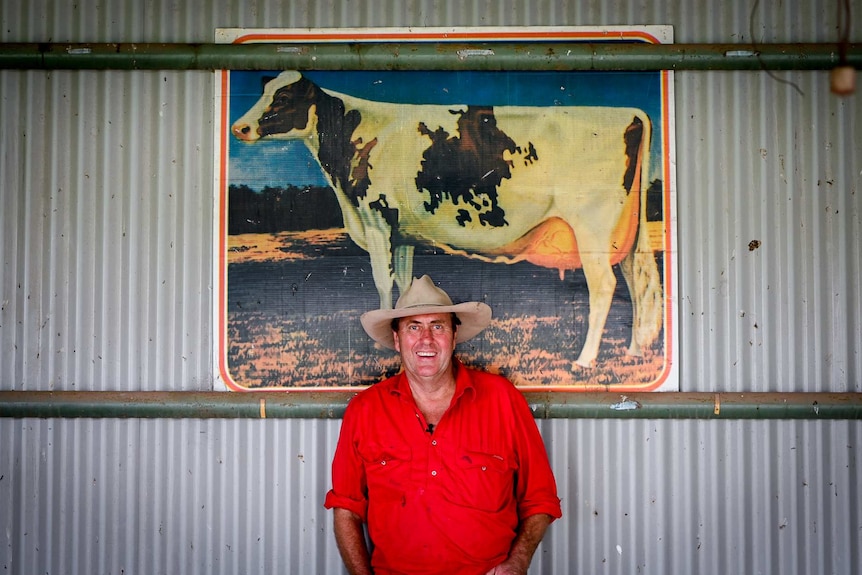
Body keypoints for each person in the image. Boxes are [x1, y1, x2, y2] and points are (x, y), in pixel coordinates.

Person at [324, 275, 562, 575]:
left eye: (437, 326)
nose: (426, 339)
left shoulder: (503, 400)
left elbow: (539, 499)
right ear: (397, 339)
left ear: (453, 335)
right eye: (414, 327)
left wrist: (518, 562)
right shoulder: (365, 410)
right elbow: (346, 509)